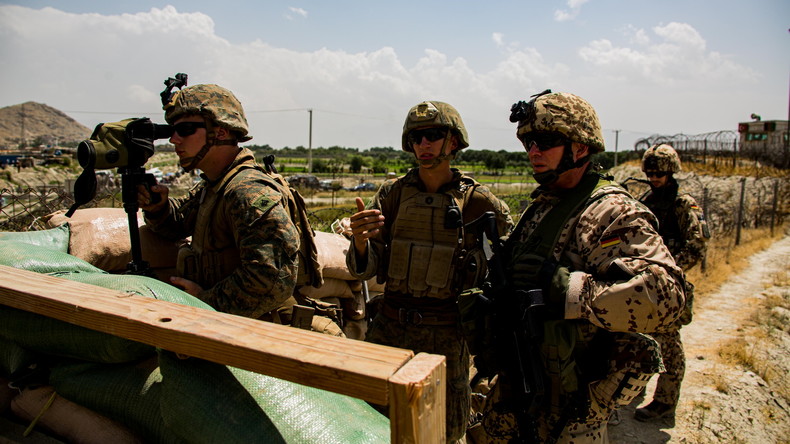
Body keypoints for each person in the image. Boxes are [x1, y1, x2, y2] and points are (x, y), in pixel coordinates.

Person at [468, 90, 687, 443]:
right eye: (529, 142)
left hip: (570, 411)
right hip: (514, 387)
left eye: (547, 141)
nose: (534, 151)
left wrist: (571, 291)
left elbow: (667, 298)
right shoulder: (545, 203)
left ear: (581, 148)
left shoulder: (611, 211)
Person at [346, 100, 513, 443]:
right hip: (390, 329)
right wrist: (361, 242)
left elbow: (505, 271)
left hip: (446, 337)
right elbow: (367, 267)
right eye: (417, 137)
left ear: (453, 142)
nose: (424, 144)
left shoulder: (480, 202)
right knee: (372, 425)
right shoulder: (392, 195)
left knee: (442, 433)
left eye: (433, 135)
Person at [138, 83, 300, 322]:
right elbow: (179, 223)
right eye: (173, 130)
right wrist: (158, 207)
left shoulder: (247, 192)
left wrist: (203, 303)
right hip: (228, 323)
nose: (173, 140)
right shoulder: (214, 186)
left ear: (221, 131)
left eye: (184, 130)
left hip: (260, 329)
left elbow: (271, 279)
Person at [634, 144, 709, 422]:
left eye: (660, 173)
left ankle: (665, 403)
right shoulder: (646, 199)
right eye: (650, 173)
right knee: (638, 337)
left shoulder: (683, 204)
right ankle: (635, 387)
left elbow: (698, 245)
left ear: (671, 172)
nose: (654, 178)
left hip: (669, 284)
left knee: (669, 344)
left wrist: (670, 268)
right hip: (643, 283)